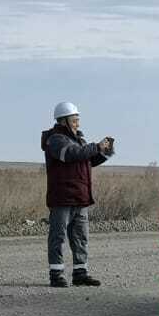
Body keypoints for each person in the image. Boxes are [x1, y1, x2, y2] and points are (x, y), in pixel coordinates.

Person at [41, 101, 115, 288]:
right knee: (58, 237)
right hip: (62, 198)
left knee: (81, 237)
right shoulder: (55, 140)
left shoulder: (79, 140)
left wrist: (105, 152)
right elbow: (72, 154)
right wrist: (94, 147)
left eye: (78, 120)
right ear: (63, 120)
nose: (77, 124)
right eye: (74, 120)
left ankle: (80, 273)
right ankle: (56, 275)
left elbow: (86, 160)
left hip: (80, 198)